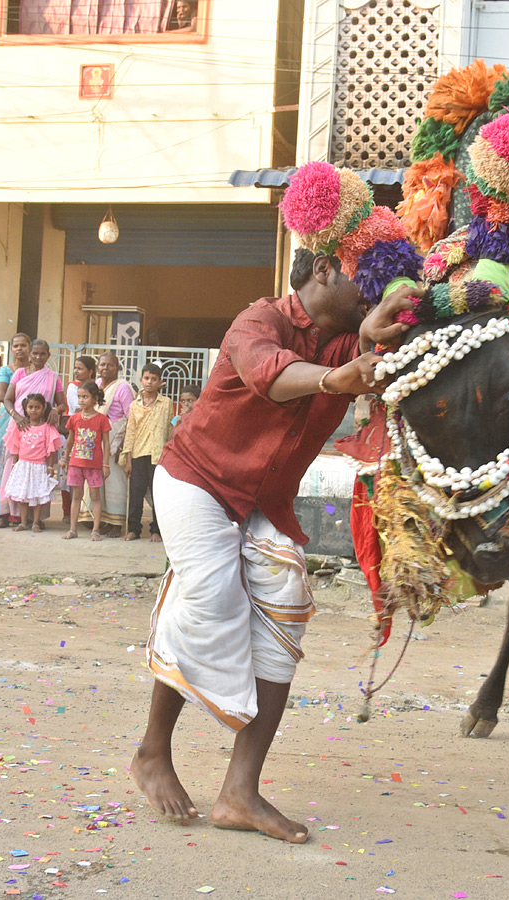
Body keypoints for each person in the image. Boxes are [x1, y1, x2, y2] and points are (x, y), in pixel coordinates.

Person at [130, 242, 413, 840]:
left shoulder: (346, 341)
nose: (371, 289)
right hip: (193, 483)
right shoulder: (259, 320)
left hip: (264, 505)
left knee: (284, 623)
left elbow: (364, 348)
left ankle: (239, 793)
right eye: (363, 277)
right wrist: (338, 377)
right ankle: (152, 752)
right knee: (213, 601)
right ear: (322, 269)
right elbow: (271, 373)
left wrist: (389, 324)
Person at [2, 339, 66, 525]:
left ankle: (37, 519)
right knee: (16, 471)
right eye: (35, 353)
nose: (38, 357)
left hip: (42, 430)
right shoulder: (20, 374)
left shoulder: (53, 377)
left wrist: (55, 410)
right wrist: (16, 416)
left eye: (42, 354)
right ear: (29, 354)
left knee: (40, 474)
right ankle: (13, 515)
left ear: (48, 355)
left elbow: (62, 403)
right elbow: (7, 399)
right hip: (20, 427)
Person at [81, 352, 134, 534]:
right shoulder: (94, 386)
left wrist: (123, 446)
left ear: (117, 368)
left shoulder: (123, 388)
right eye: (102, 365)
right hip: (97, 441)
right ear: (97, 368)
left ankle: (117, 524)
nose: (105, 368)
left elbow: (131, 418)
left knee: (115, 481)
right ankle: (103, 519)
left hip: (115, 441)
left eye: (110, 365)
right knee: (99, 480)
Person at [120, 362, 172, 542]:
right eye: (147, 378)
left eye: (154, 379)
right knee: (136, 494)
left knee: (159, 495)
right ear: (141, 380)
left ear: (160, 382)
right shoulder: (135, 405)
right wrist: (127, 458)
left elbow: (170, 428)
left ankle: (156, 530)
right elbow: (130, 431)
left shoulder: (166, 403)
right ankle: (134, 529)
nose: (150, 382)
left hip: (159, 456)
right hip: (138, 454)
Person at [0, 333, 32, 526]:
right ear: (11, 349)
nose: (19, 349)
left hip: (31, 420)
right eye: (16, 346)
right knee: (4, 464)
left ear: (29, 347)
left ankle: (22, 513)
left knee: (27, 464)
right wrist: (19, 416)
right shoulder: (5, 370)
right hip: (8, 419)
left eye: (23, 345)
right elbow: (3, 396)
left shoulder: (35, 371)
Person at [4, 393, 63, 533]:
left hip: (39, 466)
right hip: (23, 465)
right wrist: (14, 463)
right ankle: (24, 523)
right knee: (23, 497)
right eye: (30, 407)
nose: (34, 410)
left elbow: (51, 449)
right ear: (25, 408)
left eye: (37, 407)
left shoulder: (48, 428)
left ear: (43, 409)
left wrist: (50, 466)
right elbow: (15, 447)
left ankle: (36, 523)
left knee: (37, 496)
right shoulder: (20, 426)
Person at [63, 381, 111, 541]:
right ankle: (72, 529)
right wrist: (65, 458)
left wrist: (105, 464)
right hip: (76, 464)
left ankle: (95, 530)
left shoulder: (102, 419)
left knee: (95, 497)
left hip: (95, 466)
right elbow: (70, 440)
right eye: (79, 397)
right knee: (76, 496)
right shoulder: (75, 418)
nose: (81, 400)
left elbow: (106, 443)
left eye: (85, 397)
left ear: (95, 398)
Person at [61, 356, 97, 520]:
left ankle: (89, 514)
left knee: (91, 475)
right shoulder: (72, 387)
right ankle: (68, 511)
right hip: (75, 430)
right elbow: (77, 407)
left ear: (90, 371)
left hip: (92, 432)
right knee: (71, 473)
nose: (76, 371)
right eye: (75, 368)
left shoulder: (98, 386)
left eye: (80, 368)